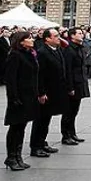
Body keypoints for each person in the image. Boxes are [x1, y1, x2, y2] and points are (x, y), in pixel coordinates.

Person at [4, 32, 39, 171]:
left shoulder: (29, 54)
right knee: (15, 127)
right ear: (21, 41)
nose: (32, 40)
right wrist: (13, 97)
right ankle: (11, 157)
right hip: (19, 96)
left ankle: (18, 156)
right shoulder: (15, 55)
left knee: (21, 127)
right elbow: (10, 79)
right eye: (28, 38)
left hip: (29, 95)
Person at [30, 28, 68, 157]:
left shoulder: (57, 50)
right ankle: (36, 146)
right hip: (46, 91)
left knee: (46, 119)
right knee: (40, 120)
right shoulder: (42, 52)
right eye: (56, 36)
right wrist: (41, 93)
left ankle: (42, 142)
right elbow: (39, 75)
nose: (59, 38)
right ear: (47, 39)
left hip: (55, 90)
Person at [61, 27, 90, 145]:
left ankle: (72, 133)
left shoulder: (80, 48)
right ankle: (66, 135)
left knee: (74, 110)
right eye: (79, 33)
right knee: (68, 111)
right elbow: (67, 70)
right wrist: (70, 87)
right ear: (72, 36)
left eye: (82, 33)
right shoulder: (69, 50)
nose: (82, 35)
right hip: (73, 83)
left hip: (80, 82)